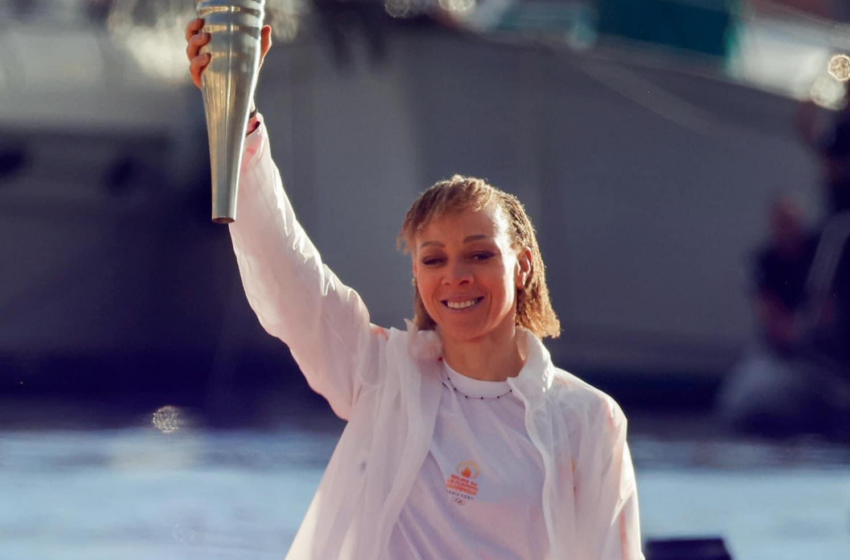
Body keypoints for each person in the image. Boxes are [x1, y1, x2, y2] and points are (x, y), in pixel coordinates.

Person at [186, 18, 643, 560]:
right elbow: (290, 279)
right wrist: (237, 116)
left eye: (479, 254)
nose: (457, 276)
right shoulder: (380, 377)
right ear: (417, 276)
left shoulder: (588, 419)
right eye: (435, 259)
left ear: (521, 266)